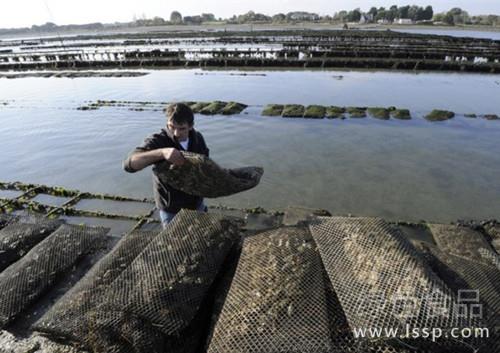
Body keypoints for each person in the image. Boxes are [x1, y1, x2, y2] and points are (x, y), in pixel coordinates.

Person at [123, 103, 209, 228]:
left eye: (181, 128)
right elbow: (129, 165)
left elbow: (206, 166)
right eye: (171, 127)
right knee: (175, 241)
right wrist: (162, 152)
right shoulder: (158, 140)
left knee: (200, 234)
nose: (175, 133)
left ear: (191, 126)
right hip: (171, 207)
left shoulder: (198, 138)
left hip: (196, 202)